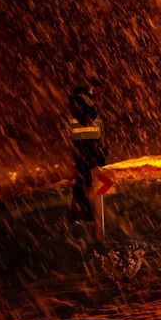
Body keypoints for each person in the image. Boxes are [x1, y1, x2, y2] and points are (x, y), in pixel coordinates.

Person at [68, 79, 107, 222]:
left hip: (92, 146)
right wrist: (95, 106)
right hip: (83, 146)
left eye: (101, 92)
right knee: (83, 179)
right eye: (97, 90)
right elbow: (87, 120)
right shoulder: (78, 99)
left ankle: (83, 214)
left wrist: (101, 145)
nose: (99, 94)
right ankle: (80, 214)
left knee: (89, 180)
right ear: (90, 87)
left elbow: (96, 126)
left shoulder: (88, 101)